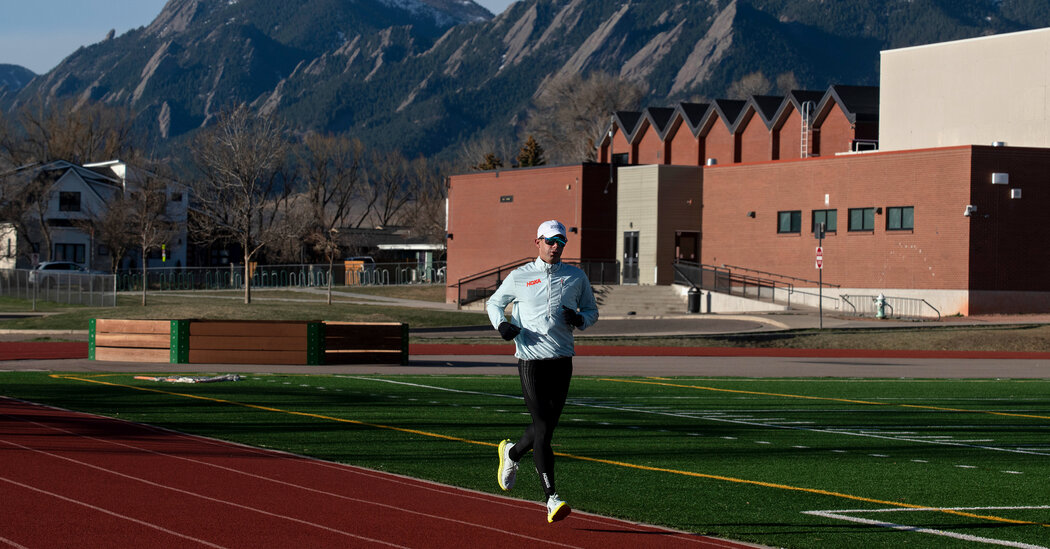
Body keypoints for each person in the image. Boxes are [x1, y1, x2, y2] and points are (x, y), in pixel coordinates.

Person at [486, 219, 599, 523]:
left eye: (560, 242)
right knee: (545, 429)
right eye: (550, 242)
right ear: (537, 242)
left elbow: (592, 311)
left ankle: (511, 453)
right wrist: (503, 325)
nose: (555, 247)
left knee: (544, 427)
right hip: (531, 361)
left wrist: (580, 319)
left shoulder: (576, 277)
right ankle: (552, 499)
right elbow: (494, 304)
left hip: (562, 360)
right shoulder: (521, 276)